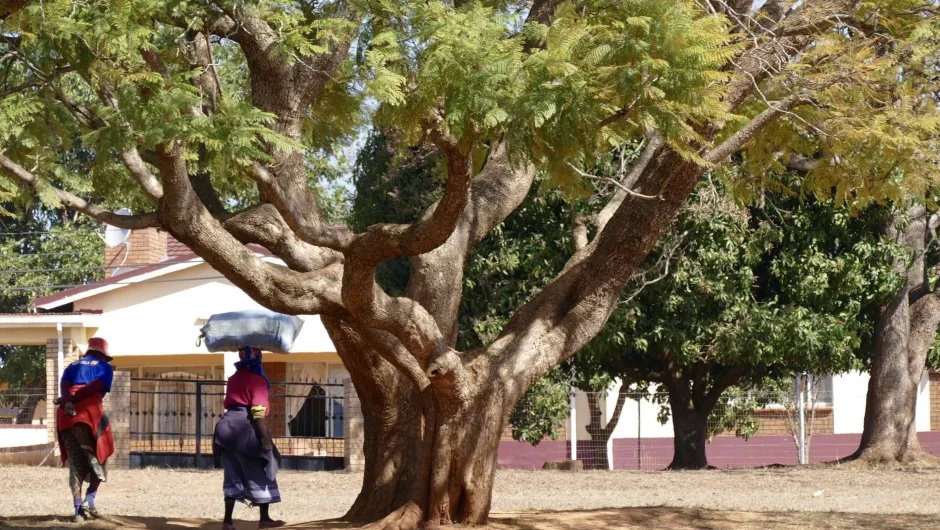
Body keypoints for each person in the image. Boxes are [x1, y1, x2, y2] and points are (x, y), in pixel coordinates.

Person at [213, 346, 285, 530]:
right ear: (257, 359)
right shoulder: (258, 380)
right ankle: (265, 518)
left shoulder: (233, 379)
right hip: (247, 428)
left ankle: (227, 522)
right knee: (266, 465)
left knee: (232, 474)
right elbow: (258, 411)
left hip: (225, 429)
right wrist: (264, 438)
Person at [54, 336, 115, 523]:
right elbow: (95, 387)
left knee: (75, 462)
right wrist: (77, 398)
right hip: (88, 415)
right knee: (101, 453)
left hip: (65, 415)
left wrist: (69, 400)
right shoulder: (105, 367)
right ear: (102, 353)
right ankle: (90, 499)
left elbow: (64, 387)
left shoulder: (71, 367)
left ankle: (77, 510)